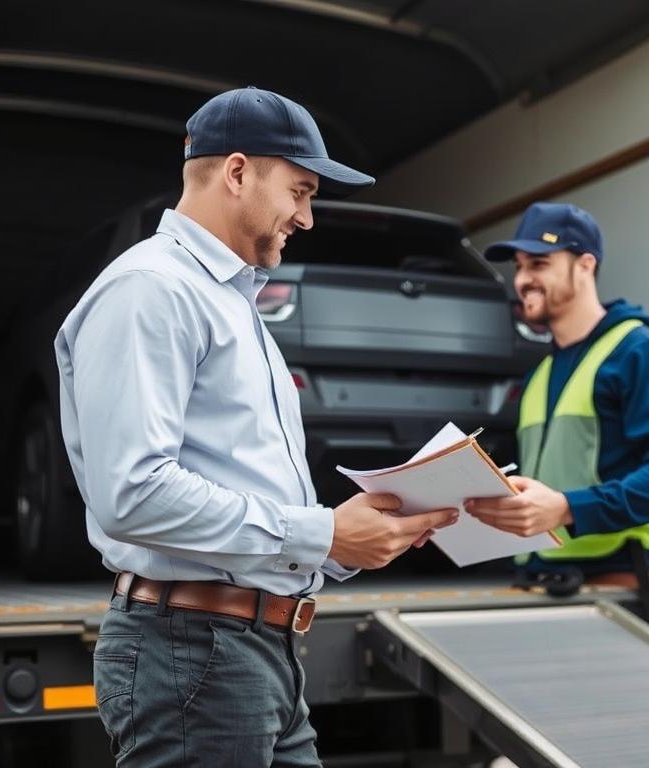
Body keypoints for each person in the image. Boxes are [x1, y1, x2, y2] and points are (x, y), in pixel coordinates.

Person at [54, 87, 456, 767]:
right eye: (299, 191)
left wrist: (348, 542)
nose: (306, 216)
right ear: (237, 172)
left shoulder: (232, 304)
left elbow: (235, 479)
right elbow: (134, 493)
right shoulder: (151, 290)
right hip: (192, 652)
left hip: (253, 650)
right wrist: (323, 532)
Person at [464, 202, 649, 591]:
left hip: (621, 582)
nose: (523, 279)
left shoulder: (639, 352)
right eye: (519, 267)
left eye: (538, 264)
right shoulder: (540, 374)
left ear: (585, 266)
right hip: (543, 580)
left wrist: (567, 509)